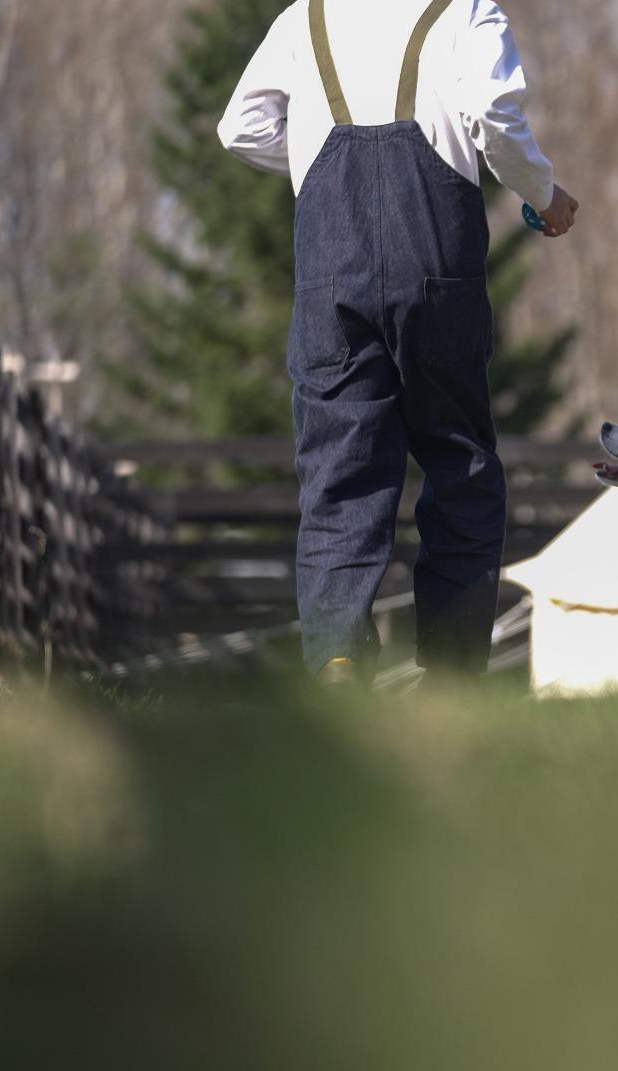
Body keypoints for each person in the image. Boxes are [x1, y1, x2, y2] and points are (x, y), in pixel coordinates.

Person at [217, 0, 579, 682]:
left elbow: (241, 127)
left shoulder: (307, 19)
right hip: (436, 271)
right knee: (460, 464)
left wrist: (307, 162)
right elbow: (495, 116)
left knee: (338, 477)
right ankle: (449, 677)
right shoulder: (464, 10)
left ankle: (339, 657)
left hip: (331, 274)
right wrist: (543, 191)